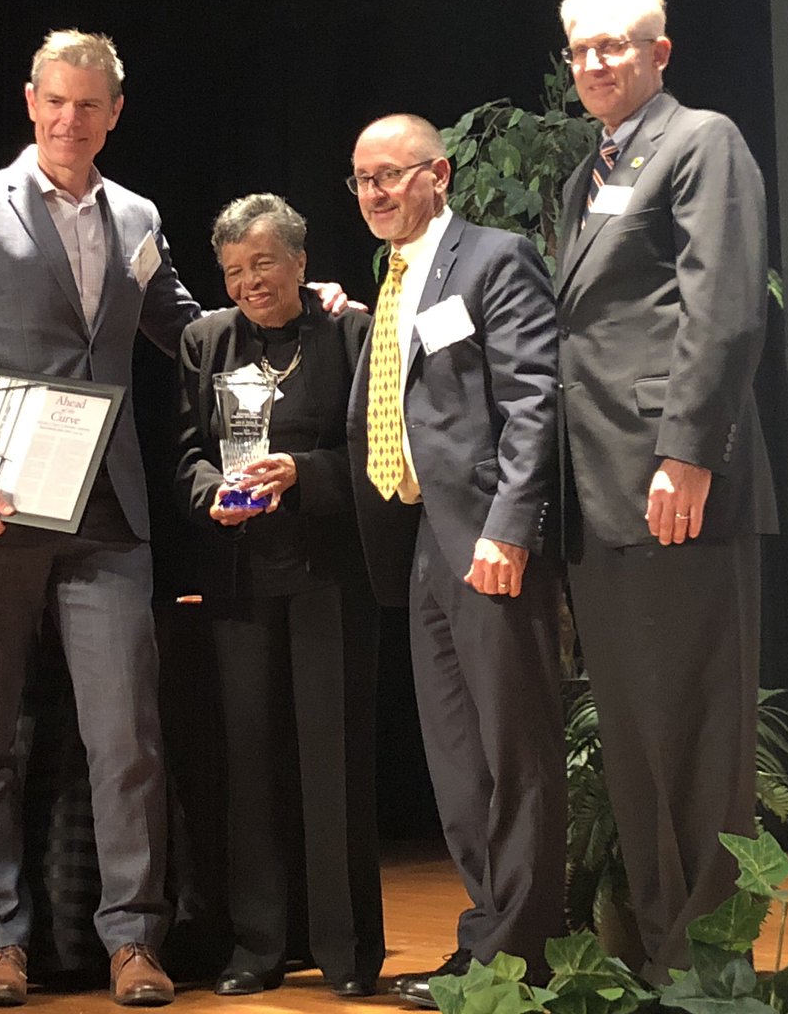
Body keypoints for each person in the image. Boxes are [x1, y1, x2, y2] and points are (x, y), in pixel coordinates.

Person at [0, 30, 201, 1009]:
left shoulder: (140, 216)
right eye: (54, 103)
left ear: (115, 112)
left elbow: (183, 328)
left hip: (105, 505)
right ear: (31, 102)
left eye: (89, 106)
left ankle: (133, 942)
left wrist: (287, 310)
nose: (69, 121)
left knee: (127, 736)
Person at [551, 0, 779, 984]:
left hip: (669, 483)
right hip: (598, 493)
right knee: (639, 744)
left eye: (614, 46)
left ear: (659, 53)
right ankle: (653, 963)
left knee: (694, 742)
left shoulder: (699, 141)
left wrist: (684, 454)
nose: (595, 63)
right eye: (580, 49)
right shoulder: (582, 175)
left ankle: (708, 975)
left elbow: (721, 306)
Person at [341, 114, 564, 1006]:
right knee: (457, 758)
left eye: (390, 176)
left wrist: (509, 528)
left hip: (486, 538)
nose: (373, 193)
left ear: (439, 173)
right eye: (360, 179)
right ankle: (486, 943)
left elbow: (532, 399)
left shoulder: (492, 258)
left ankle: (523, 949)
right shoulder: (395, 280)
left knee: (515, 750)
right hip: (422, 541)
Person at [175, 194, 384, 1000]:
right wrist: (210, 498)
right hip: (239, 578)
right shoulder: (204, 341)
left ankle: (347, 951)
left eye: (263, 262)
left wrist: (303, 474)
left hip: (330, 572)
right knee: (250, 763)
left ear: (301, 261)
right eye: (232, 269)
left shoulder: (349, 335)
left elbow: (374, 450)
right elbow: (187, 454)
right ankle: (259, 945)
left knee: (335, 763)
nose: (249, 281)